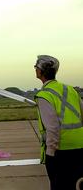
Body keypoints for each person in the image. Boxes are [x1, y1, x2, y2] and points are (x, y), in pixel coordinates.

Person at [33, 55, 83, 190]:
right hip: (80, 148)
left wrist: (50, 152)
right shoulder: (70, 90)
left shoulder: (44, 95)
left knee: (59, 186)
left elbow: (52, 127)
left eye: (35, 67)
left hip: (61, 150)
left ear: (40, 71)